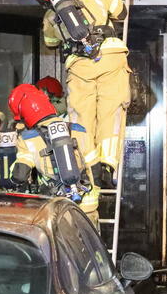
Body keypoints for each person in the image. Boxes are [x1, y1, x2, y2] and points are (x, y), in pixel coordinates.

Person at [31, 0, 130, 189]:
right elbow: (122, 12)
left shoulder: (50, 15)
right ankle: (108, 163)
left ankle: (90, 167)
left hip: (79, 67)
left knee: (81, 119)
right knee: (111, 111)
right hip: (111, 57)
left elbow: (50, 43)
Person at [8, 84, 99, 227]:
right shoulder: (79, 130)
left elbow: (20, 175)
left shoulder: (28, 139)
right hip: (87, 209)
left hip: (57, 210)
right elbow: (95, 169)